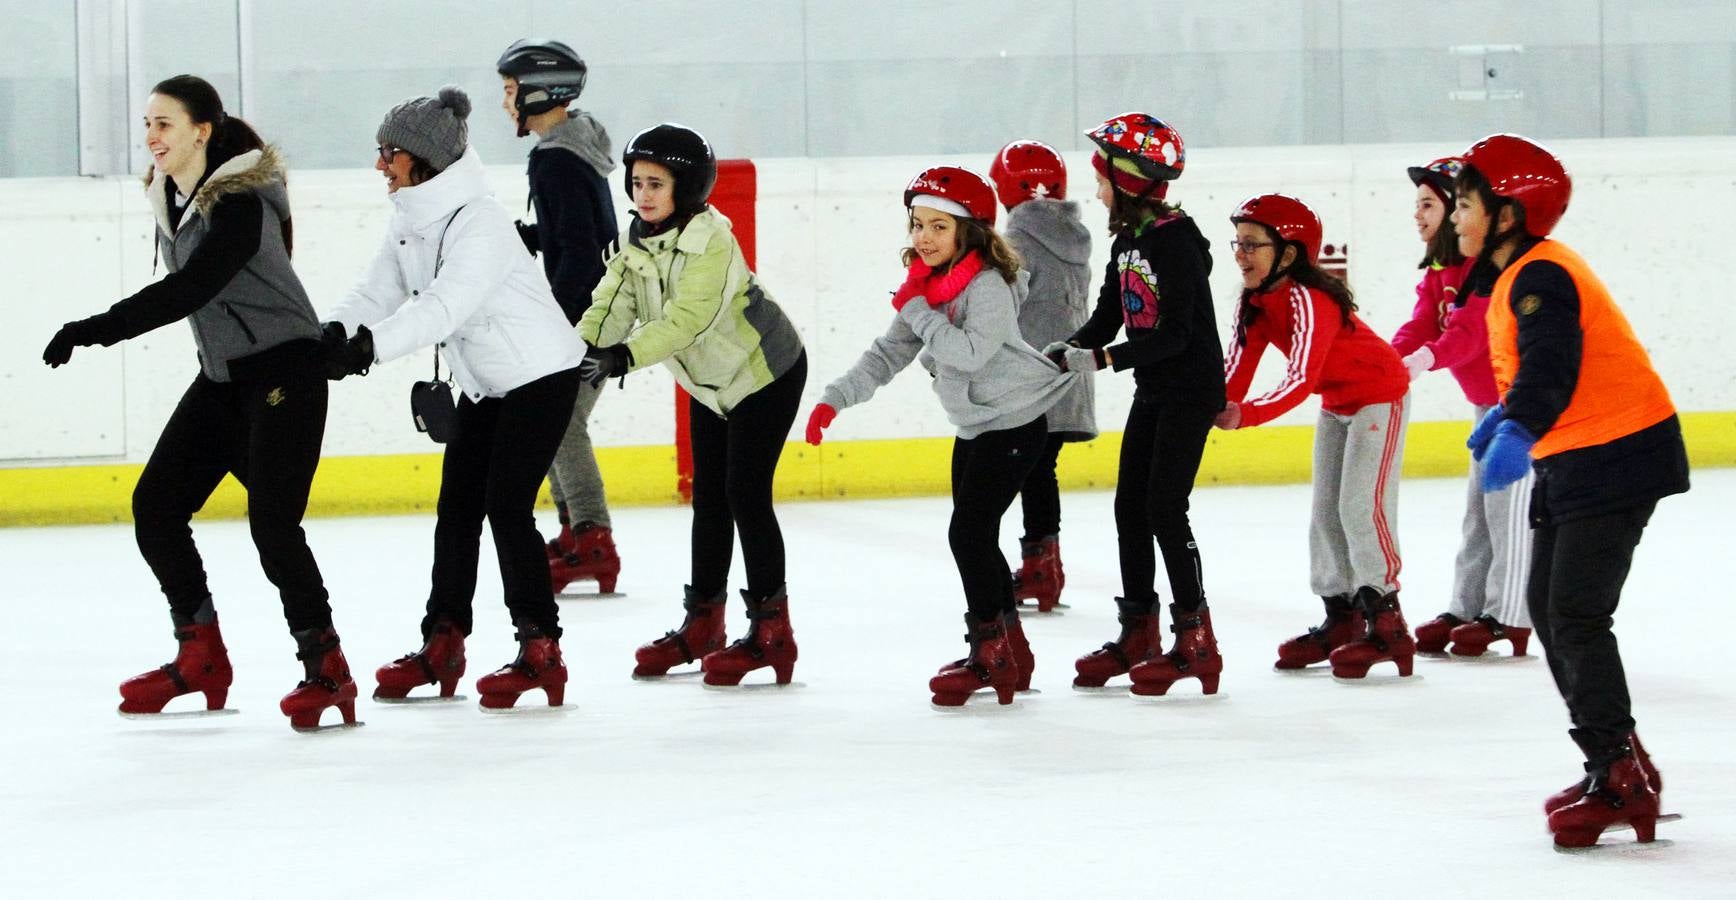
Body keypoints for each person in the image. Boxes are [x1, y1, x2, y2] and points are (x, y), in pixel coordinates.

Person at [40, 74, 354, 731]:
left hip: (286, 372)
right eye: (147, 124)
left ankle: (326, 667)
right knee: (156, 506)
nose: (151, 137)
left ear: (201, 132)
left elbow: (192, 288)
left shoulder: (238, 203)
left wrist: (94, 329)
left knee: (273, 526)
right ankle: (200, 655)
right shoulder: (174, 198)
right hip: (224, 380)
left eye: (165, 124)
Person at [1452, 133, 1685, 847]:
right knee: (1551, 612)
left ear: (1508, 214)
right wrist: (1507, 414)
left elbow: (1553, 366)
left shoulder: (1541, 275)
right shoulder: (1522, 273)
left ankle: (1620, 777)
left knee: (1575, 614)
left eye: (1464, 203)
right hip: (1582, 454)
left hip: (1616, 452)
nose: (1455, 217)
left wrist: (1519, 424)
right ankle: (1620, 763)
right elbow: (1541, 365)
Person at [323, 86, 585, 710]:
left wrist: (367, 350)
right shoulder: (410, 218)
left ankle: (542, 650)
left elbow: (444, 308)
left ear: (424, 158)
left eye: (389, 152)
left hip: (540, 375)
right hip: (485, 381)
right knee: (457, 509)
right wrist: (332, 332)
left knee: (506, 506)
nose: (380, 164)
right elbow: (376, 290)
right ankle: (443, 642)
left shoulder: (481, 222)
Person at [806, 165, 1077, 706]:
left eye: (939, 226)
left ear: (968, 231)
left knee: (968, 535)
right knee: (977, 537)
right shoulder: (927, 285)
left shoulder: (989, 285)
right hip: (976, 424)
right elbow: (888, 352)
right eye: (917, 224)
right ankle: (1012, 652)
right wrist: (835, 397)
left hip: (1016, 421)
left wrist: (918, 311)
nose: (923, 237)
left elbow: (970, 353)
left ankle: (990, 655)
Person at [578, 123, 808, 687]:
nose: (644, 195)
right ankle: (704, 622)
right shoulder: (635, 244)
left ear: (688, 188)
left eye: (657, 184)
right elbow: (611, 304)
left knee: (744, 494)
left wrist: (622, 358)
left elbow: (687, 323)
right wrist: (577, 352)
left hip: (764, 373)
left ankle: (773, 634)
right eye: (637, 183)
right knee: (709, 498)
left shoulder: (713, 243)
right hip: (709, 384)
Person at [1048, 113, 1228, 696]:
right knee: (1130, 508)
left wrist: (1103, 360)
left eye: (1103, 179)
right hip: (1155, 388)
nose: (1098, 191)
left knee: (1165, 510)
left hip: (1190, 390)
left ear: (1128, 179)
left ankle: (1197, 641)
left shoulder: (1175, 242)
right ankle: (1138, 633)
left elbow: (1176, 335)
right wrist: (1065, 349)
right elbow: (1108, 314)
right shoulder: (1128, 240)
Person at [1216, 193, 1414, 679]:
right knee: (1325, 513)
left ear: (1288, 253)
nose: (1241, 255)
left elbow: (1300, 377)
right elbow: (1234, 373)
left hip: (1378, 395)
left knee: (1361, 507)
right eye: (1237, 243)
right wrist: (1205, 408)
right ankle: (1341, 617)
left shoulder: (1310, 298)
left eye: (1252, 245)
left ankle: (1388, 624)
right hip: (1336, 403)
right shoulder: (1255, 303)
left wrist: (1246, 415)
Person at [1390, 156, 1534, 658]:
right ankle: (1466, 606)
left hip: (1523, 407)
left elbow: (1470, 333)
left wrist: (1423, 359)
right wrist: (1387, 359)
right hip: (1487, 406)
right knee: (1479, 513)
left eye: (1428, 204)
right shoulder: (1441, 268)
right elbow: (1422, 323)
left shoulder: (1486, 268)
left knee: (1508, 512)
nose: (1419, 215)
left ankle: (1511, 616)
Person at [496, 39, 623, 595]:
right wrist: (527, 237)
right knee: (553, 421)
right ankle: (577, 534)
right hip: (601, 306)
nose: (505, 103)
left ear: (540, 92)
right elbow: (582, 230)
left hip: (589, 314)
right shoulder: (574, 148)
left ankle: (593, 539)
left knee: (561, 422)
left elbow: (578, 249)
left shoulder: (555, 160)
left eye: (510, 90)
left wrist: (561, 324)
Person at [987, 139, 1097, 614]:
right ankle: (1043, 570)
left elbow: (995, 308)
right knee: (1037, 471)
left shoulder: (1017, 241)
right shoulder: (1073, 236)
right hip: (1068, 376)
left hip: (1033, 377)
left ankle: (1033, 570)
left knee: (1007, 473)